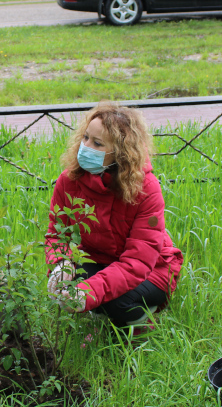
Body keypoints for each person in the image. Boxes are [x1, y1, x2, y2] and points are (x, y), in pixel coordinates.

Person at [45, 103, 183, 335]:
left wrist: (91, 291)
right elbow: (58, 234)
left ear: (121, 152)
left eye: (97, 144)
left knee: (115, 302)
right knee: (67, 286)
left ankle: (142, 326)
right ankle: (100, 315)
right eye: (85, 138)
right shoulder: (69, 180)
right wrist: (61, 263)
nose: (85, 147)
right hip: (98, 260)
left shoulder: (146, 189)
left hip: (153, 269)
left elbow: (138, 263)